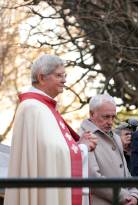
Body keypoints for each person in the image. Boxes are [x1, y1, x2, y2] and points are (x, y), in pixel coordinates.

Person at [4, 54, 97, 205]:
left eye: (64, 75)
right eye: (59, 75)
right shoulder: (32, 107)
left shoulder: (43, 107)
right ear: (41, 77)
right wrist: (82, 148)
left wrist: (79, 143)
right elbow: (50, 153)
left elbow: (52, 150)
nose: (65, 80)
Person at [79, 94, 138, 205]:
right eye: (106, 117)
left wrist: (135, 195)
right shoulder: (83, 138)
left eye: (113, 117)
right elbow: (93, 178)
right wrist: (126, 197)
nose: (110, 122)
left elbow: (127, 174)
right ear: (92, 114)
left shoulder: (116, 138)